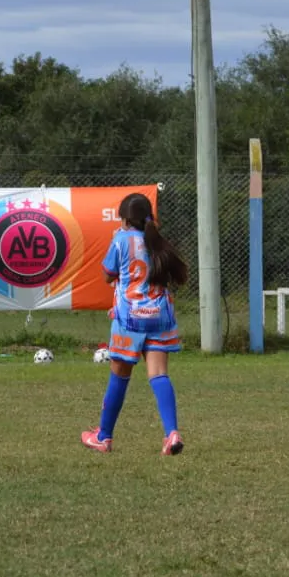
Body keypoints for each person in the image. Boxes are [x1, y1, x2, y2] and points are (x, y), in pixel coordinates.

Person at [81, 192, 188, 455]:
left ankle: (103, 437)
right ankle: (171, 433)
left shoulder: (120, 240)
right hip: (159, 316)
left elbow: (107, 275)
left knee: (119, 376)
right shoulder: (157, 240)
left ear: (125, 219)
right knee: (159, 374)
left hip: (130, 317)